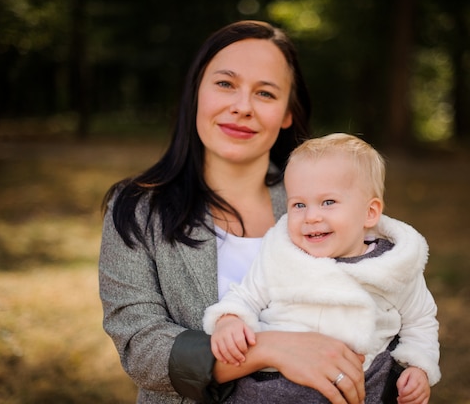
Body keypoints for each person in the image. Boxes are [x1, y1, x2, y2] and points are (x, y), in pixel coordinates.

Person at [99, 21, 369, 404]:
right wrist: (268, 348)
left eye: (265, 93)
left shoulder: (325, 204)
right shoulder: (136, 210)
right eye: (225, 84)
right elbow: (140, 347)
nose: (242, 107)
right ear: (196, 93)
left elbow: (378, 292)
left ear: (288, 113)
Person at [203, 133, 440, 404]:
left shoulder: (394, 266)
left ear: (370, 213)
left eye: (328, 202)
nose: (312, 216)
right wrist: (229, 319)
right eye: (299, 204)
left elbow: (420, 322)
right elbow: (246, 296)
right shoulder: (281, 252)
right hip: (270, 389)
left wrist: (419, 366)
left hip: (360, 387)